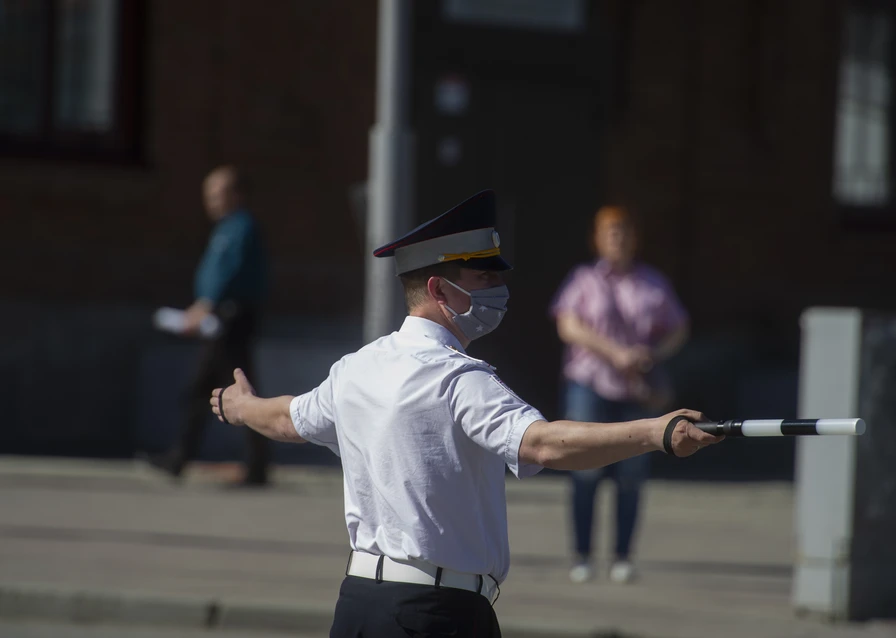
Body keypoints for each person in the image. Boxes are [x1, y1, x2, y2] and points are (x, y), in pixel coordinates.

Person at [210, 191, 719, 637]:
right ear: (438, 289)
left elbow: (285, 419)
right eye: (482, 277)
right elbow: (543, 443)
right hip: (437, 614)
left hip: (359, 606)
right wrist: (656, 431)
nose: (496, 289)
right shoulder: (459, 378)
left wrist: (240, 407)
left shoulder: (356, 368)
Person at [550, 205, 690, 585]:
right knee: (584, 470)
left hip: (634, 388)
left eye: (624, 231)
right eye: (610, 231)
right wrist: (614, 353)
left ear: (635, 237)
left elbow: (678, 328)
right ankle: (581, 555)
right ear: (596, 238)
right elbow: (568, 326)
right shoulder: (582, 280)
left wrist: (653, 354)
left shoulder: (652, 282)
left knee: (632, 473)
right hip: (589, 383)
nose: (618, 238)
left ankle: (623, 557)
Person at [149, 166, 271, 486]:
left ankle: (187, 458)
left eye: (218, 194)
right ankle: (250, 464)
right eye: (209, 195)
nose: (211, 201)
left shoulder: (240, 228)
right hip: (222, 318)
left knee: (218, 389)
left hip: (230, 319)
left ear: (236, 194)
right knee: (213, 388)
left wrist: (204, 307)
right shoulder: (227, 228)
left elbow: (228, 272)